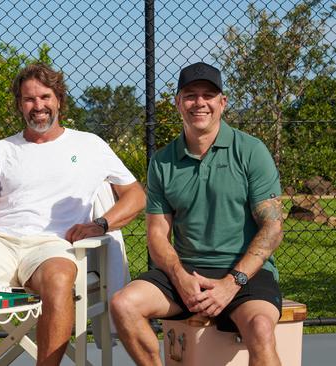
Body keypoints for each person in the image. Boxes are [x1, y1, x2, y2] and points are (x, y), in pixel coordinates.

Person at [0, 63, 146, 365]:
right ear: (20, 104)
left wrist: (102, 224)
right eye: (29, 99)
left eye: (45, 97)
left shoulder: (90, 145)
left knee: (59, 280)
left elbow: (136, 196)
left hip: (54, 245)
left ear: (59, 98)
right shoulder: (0, 150)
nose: (39, 106)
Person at [110, 62, 284, 366]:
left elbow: (272, 228)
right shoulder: (162, 161)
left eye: (208, 95)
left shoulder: (251, 150)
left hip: (244, 275)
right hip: (186, 275)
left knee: (261, 328)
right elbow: (157, 234)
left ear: (222, 102)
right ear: (178, 102)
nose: (199, 103)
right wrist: (179, 277)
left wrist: (232, 282)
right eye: (190, 95)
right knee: (123, 304)